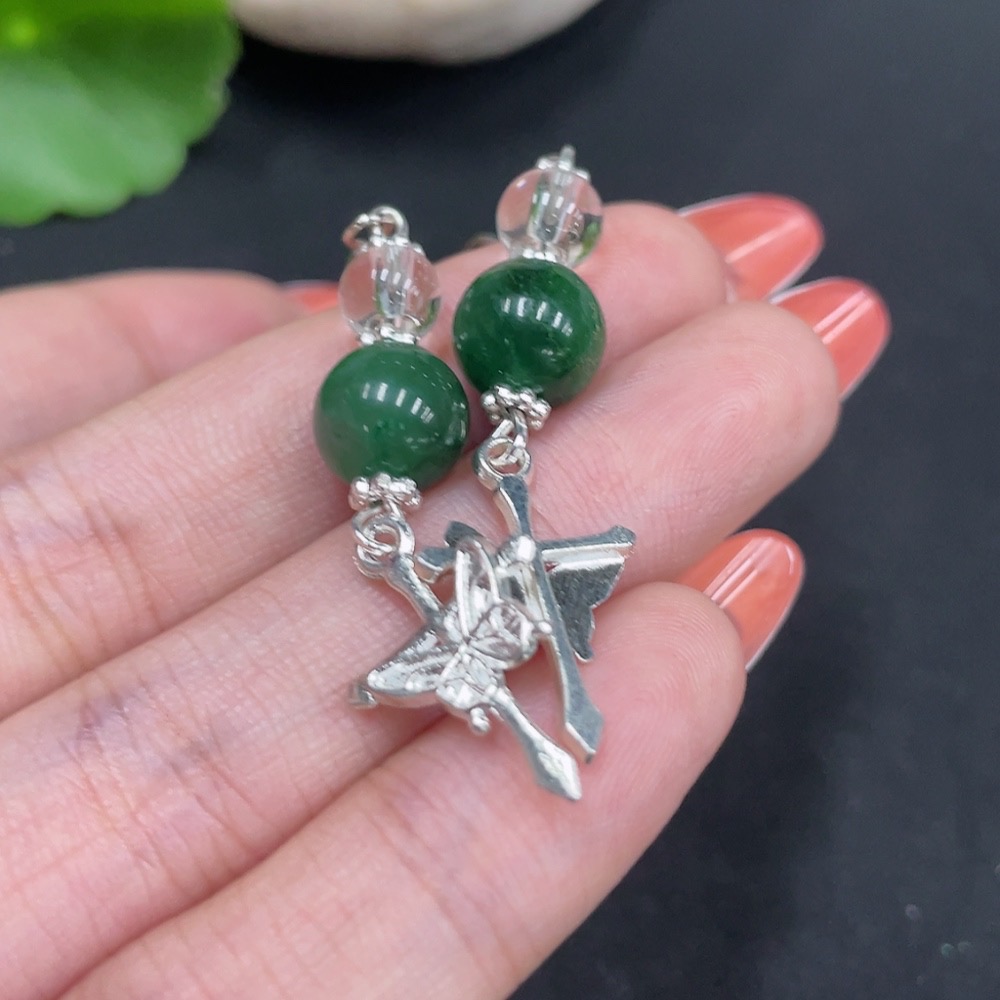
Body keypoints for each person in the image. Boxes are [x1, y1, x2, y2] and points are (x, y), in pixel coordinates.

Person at [0, 197, 887, 998]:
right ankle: (539, 699)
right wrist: (423, 550)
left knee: (516, 547)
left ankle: (545, 691)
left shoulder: (481, 365)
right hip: (442, 543)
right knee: (500, 556)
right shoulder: (383, 394)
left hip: (475, 538)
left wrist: (474, 517)